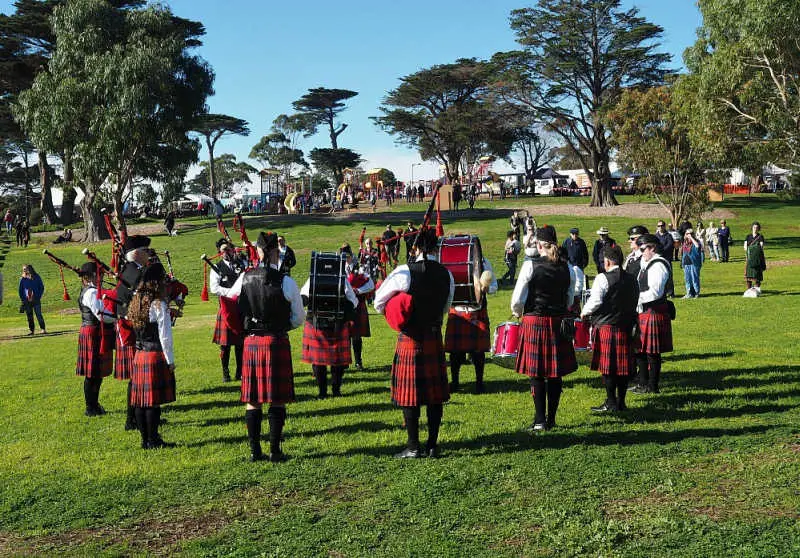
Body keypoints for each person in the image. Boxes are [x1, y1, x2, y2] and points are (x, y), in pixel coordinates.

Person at [374, 228, 454, 458]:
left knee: (411, 395)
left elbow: (379, 301)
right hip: (433, 335)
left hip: (410, 337)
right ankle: (432, 445)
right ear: (435, 248)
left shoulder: (404, 272)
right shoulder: (445, 274)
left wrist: (397, 312)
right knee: (434, 395)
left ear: (415, 248)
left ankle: (412, 447)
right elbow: (446, 308)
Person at [233, 232, 304, 462]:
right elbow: (298, 317)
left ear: (258, 251)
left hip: (252, 341)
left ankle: (255, 452)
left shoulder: (244, 278)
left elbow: (231, 300)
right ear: (274, 252)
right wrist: (283, 327)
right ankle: (275, 451)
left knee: (252, 400)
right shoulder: (286, 281)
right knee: (277, 398)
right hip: (275, 341)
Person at [511, 225, 577, 432]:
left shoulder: (530, 265)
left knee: (536, 373)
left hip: (535, 321)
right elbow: (570, 298)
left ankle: (540, 420)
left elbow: (517, 299)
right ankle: (552, 418)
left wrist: (517, 312)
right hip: (557, 322)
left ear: (538, 244)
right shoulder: (568, 268)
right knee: (555, 373)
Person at [581, 245, 639, 412]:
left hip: (607, 326)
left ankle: (611, 402)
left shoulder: (602, 278)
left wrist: (584, 313)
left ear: (607, 261)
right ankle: (621, 402)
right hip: (626, 326)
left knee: (608, 368)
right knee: (622, 367)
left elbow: (596, 301)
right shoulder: (632, 278)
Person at [128, 263, 176, 449]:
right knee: (152, 403)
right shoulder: (158, 304)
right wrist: (170, 360)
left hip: (140, 354)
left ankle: (144, 440)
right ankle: (153, 440)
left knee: (140, 402)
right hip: (155, 354)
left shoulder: (136, 300)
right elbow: (165, 336)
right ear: (157, 282)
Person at [300, 253, 359, 398]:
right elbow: (354, 301)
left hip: (316, 323)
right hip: (337, 324)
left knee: (318, 361)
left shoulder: (312, 279)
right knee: (337, 361)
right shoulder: (342, 279)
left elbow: (303, 297)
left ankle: (322, 392)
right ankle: (336, 390)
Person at [114, 235, 152, 431]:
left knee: (138, 378)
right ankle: (132, 419)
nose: (149, 254)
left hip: (133, 328)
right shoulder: (135, 275)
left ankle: (142, 416)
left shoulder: (131, 271)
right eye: (146, 250)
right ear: (136, 254)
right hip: (132, 330)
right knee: (137, 378)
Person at [445, 255, 497, 394]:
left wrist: (487, 289)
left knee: (478, 352)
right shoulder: (453, 263)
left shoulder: (485, 263)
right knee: (455, 353)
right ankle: (455, 382)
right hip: (458, 309)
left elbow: (494, 286)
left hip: (477, 311)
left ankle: (479, 383)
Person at [631, 234, 673, 394]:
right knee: (640, 349)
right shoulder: (645, 262)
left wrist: (635, 299)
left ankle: (653, 386)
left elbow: (655, 292)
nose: (641, 253)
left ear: (652, 248)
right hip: (644, 311)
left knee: (652, 353)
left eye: (643, 249)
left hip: (654, 311)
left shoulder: (659, 265)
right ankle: (642, 383)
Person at [75, 262, 115, 417]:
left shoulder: (90, 290)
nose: (102, 277)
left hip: (93, 331)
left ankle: (94, 404)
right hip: (93, 332)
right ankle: (90, 407)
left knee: (96, 373)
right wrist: (119, 317)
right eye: (100, 275)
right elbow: (101, 315)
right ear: (90, 276)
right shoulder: (90, 293)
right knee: (92, 373)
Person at [210, 238, 247, 382]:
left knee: (240, 344)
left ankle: (239, 372)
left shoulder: (241, 264)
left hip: (240, 308)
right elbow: (214, 288)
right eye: (223, 250)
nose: (227, 252)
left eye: (229, 249)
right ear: (219, 252)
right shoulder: (216, 267)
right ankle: (225, 373)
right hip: (226, 308)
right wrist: (232, 292)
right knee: (225, 346)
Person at [342, 244, 375, 370]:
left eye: (347, 256)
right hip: (345, 304)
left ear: (351, 255)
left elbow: (371, 284)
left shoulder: (359, 268)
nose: (346, 259)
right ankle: (345, 361)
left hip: (358, 304)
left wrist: (358, 290)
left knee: (356, 335)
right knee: (344, 334)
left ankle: (358, 361)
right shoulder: (339, 268)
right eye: (344, 257)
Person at [562, 227, 589, 304]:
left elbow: (585, 254)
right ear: (570, 234)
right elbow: (563, 252)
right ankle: (570, 297)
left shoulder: (581, 242)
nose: (575, 235)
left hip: (579, 265)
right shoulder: (566, 241)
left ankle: (579, 298)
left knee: (579, 283)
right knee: (570, 282)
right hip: (569, 265)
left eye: (576, 234)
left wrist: (584, 264)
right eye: (573, 234)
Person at [19, 264, 46, 335]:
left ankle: (43, 329)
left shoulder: (37, 277)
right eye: (23, 269)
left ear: (30, 269)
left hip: (36, 300)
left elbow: (41, 287)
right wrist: (23, 299)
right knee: (29, 316)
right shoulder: (22, 279)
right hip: (27, 301)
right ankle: (32, 330)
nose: (24, 270)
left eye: (25, 269)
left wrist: (38, 296)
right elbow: (20, 290)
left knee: (38, 315)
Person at [680, 224, 703, 298]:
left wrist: (692, 238)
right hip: (686, 263)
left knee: (695, 279)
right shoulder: (685, 243)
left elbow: (697, 246)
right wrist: (682, 263)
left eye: (690, 233)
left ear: (693, 234)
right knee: (688, 279)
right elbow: (683, 253)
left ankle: (696, 293)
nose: (688, 235)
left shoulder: (696, 241)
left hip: (694, 263)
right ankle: (689, 293)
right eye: (687, 234)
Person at [744, 221, 766, 293]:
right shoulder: (748, 236)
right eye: (754, 227)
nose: (755, 229)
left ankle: (757, 289)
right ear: (752, 228)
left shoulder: (760, 237)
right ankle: (749, 289)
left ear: (758, 229)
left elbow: (761, 247)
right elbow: (745, 247)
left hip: (757, 258)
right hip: (749, 258)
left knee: (757, 274)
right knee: (748, 275)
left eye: (757, 228)